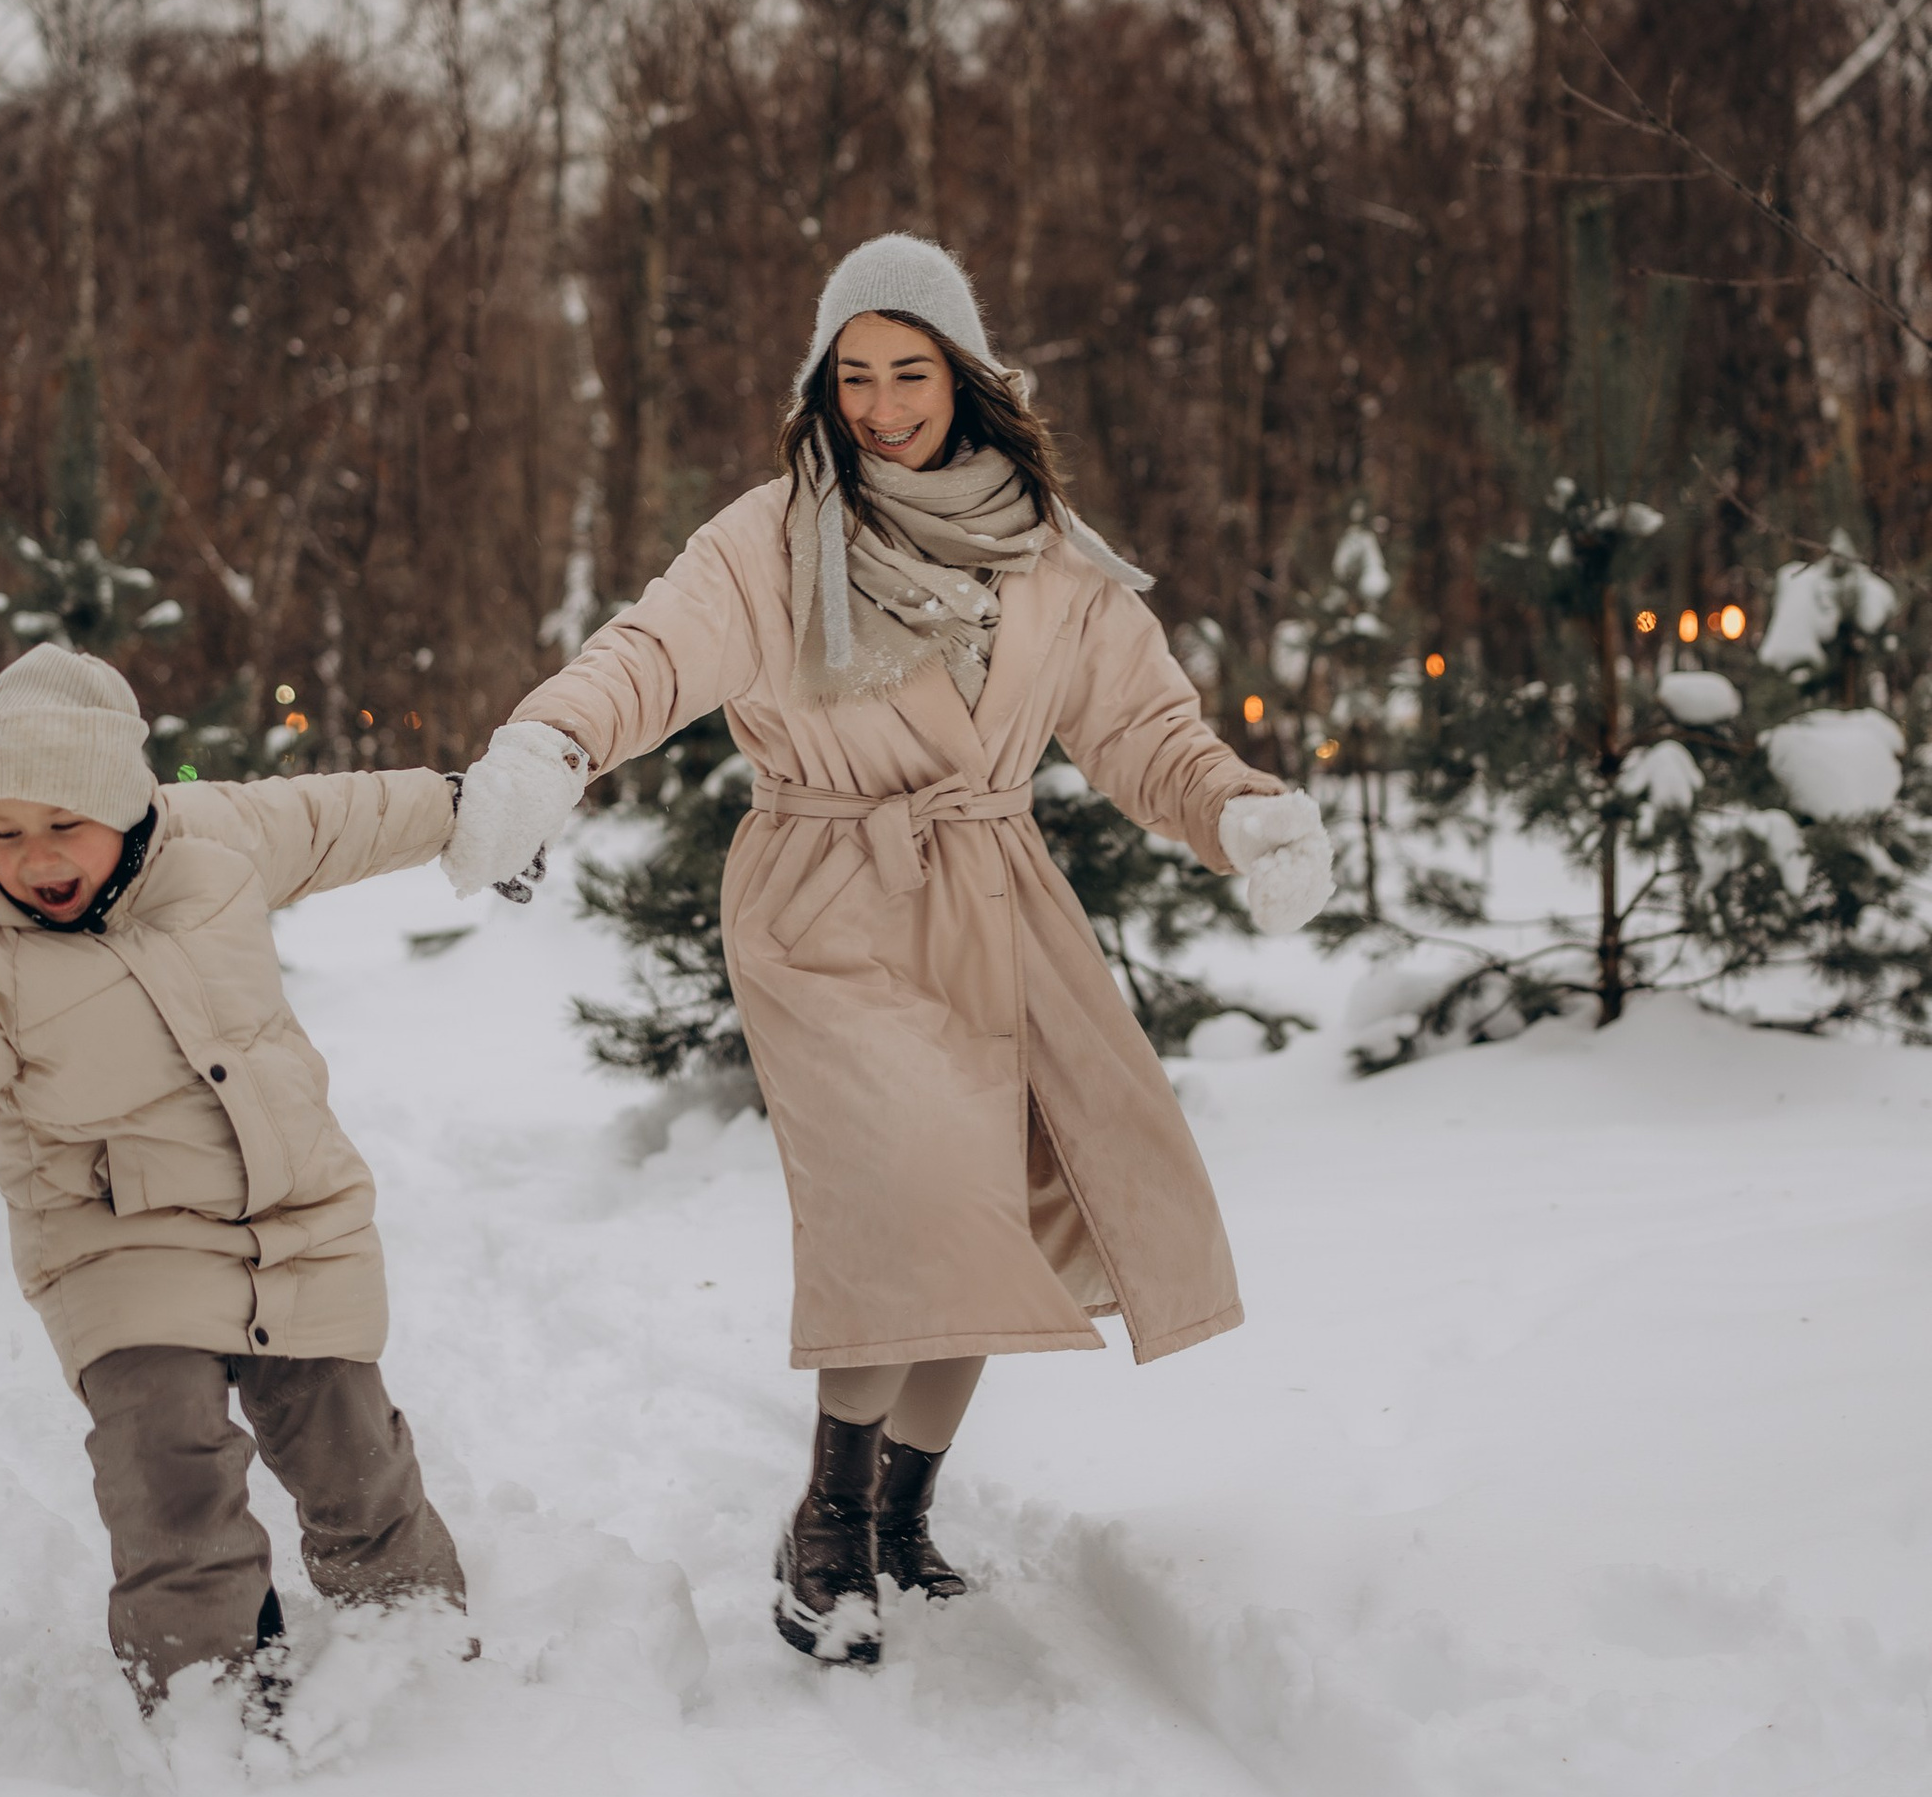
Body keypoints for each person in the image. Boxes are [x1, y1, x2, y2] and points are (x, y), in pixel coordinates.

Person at [471, 233, 1333, 1667]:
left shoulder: (1054, 557)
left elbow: (1141, 729)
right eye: (853, 376)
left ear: (966, 378)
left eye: (908, 373)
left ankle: (899, 1514)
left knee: (999, 1209)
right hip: (825, 895)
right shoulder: (770, 537)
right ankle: (826, 1519)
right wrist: (552, 744)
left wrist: (1239, 815)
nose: (879, 405)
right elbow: (651, 653)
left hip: (993, 892)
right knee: (911, 1189)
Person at [0, 640, 575, 1717]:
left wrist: (474, 814)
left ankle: (421, 1658)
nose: (34, 858)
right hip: (114, 1245)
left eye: (64, 825)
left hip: (292, 1219)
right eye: (2, 833)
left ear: (125, 803)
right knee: (170, 1468)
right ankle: (209, 1695)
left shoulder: (216, 840)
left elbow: (342, 816)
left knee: (355, 1462)